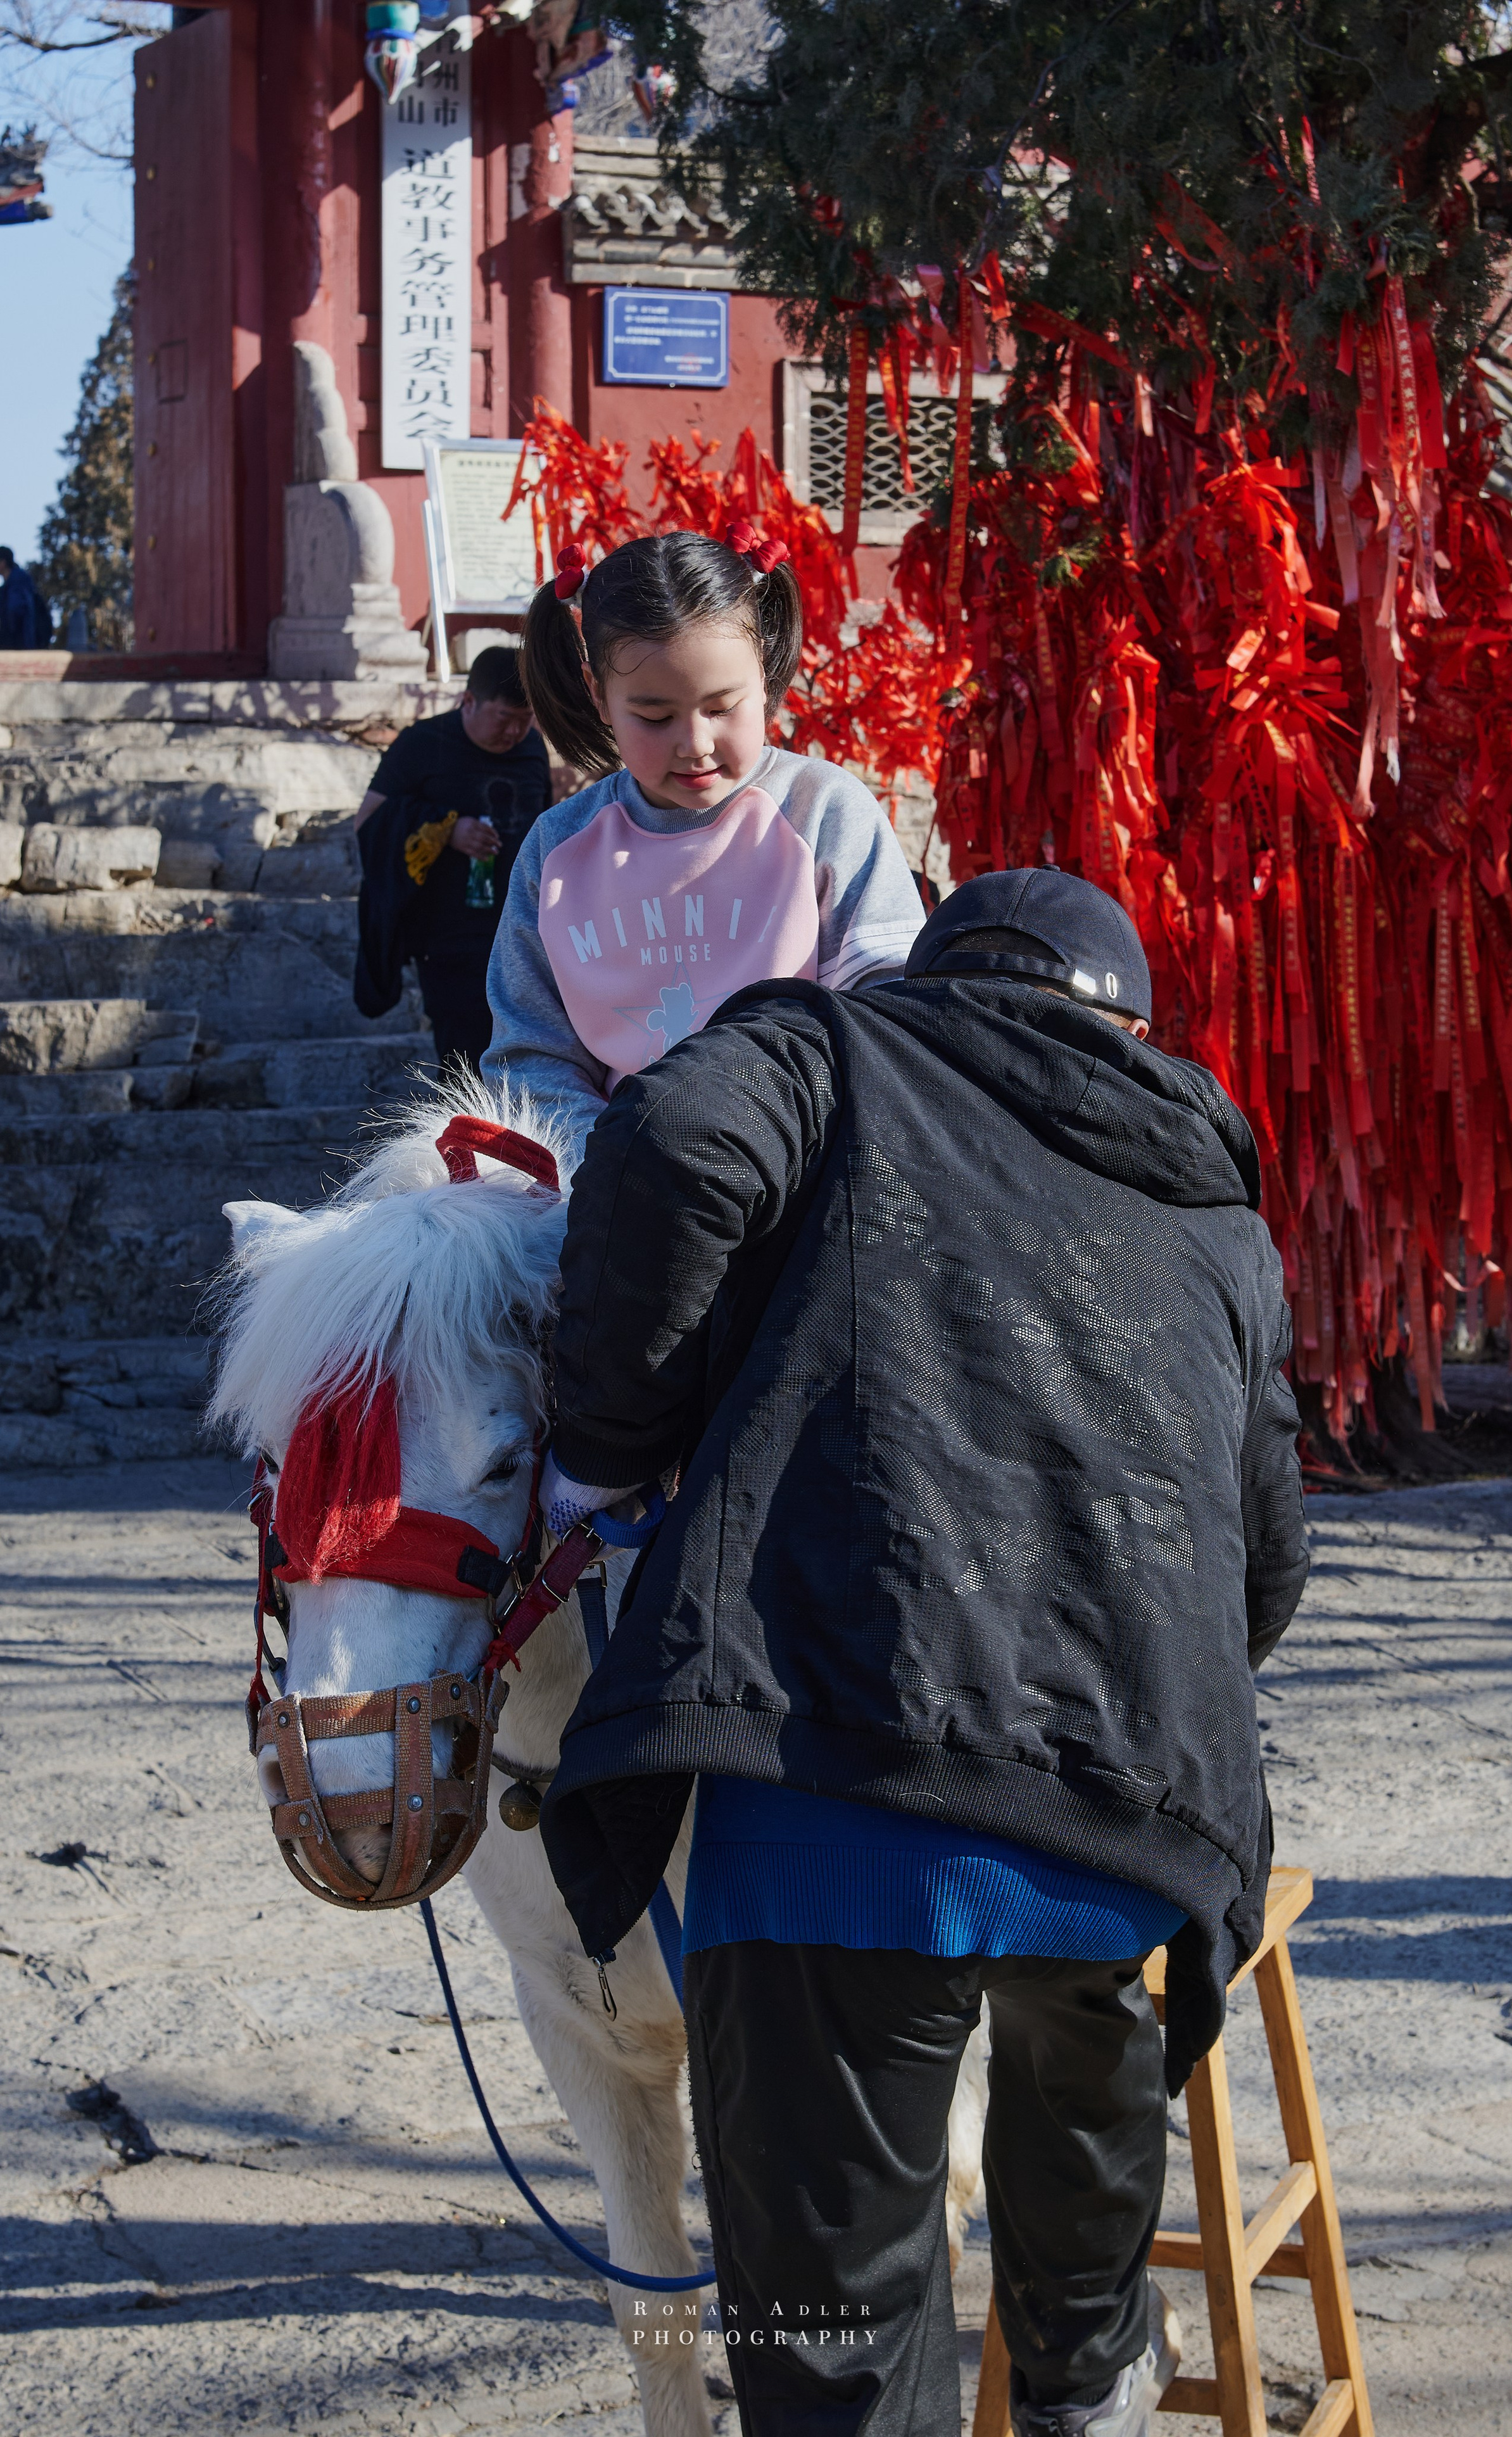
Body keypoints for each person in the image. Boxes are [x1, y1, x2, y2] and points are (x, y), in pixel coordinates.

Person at [534, 867, 1311, 2437]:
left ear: (926, 983)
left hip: (833, 1800)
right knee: (1080, 2245)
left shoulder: (832, 1053)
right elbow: (1264, 1567)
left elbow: (677, 1139)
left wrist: (608, 1436)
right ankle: (1086, 2376)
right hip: (1118, 1833)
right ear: (1139, 1034)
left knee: (830, 2342)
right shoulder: (1215, 1216)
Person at [481, 521, 925, 1144]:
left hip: (801, 1172)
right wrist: (618, 1166)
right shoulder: (558, 848)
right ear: (597, 693)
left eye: (721, 707)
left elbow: (893, 1014)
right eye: (654, 715)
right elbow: (530, 1055)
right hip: (616, 1186)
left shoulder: (823, 813)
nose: (694, 744)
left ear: (765, 669)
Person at [353, 643, 552, 1069]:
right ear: (469, 702)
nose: (515, 732)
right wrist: (446, 829)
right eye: (504, 718)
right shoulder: (422, 745)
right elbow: (368, 821)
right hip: (447, 934)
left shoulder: (532, 750)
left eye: (525, 719)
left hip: (519, 928)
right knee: (462, 1057)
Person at [0, 547, 49, 650]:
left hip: (23, 641)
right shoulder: (11, 584)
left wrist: (1, 625)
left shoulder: (18, 581)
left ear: (3, 562)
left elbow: (17, 610)